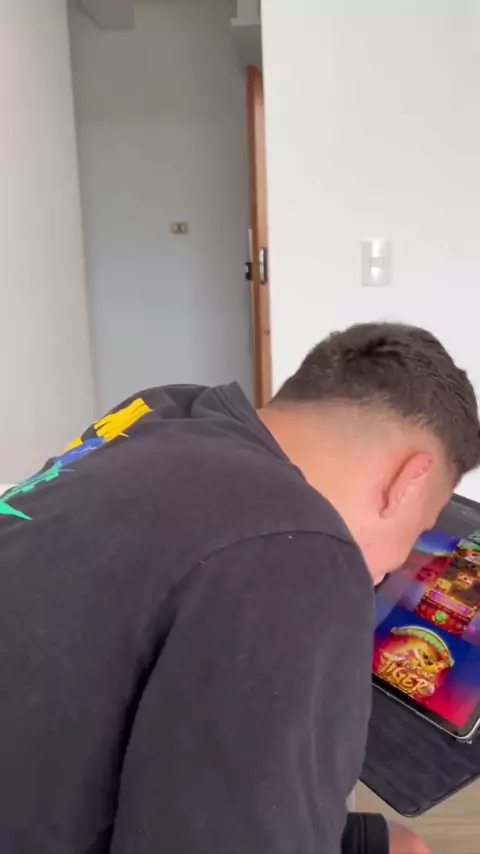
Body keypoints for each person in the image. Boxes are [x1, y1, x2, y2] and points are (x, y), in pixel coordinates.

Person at [0, 322, 479, 854]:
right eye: (418, 530)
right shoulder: (296, 548)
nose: (390, 572)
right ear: (409, 481)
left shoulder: (164, 412)